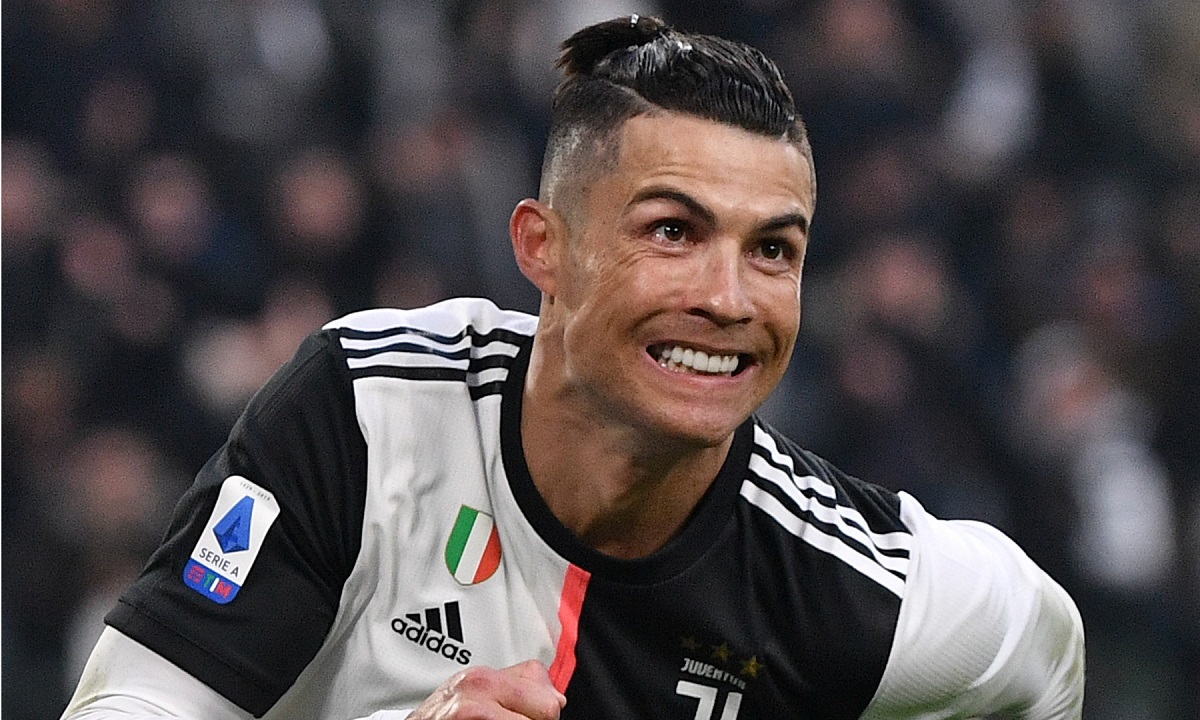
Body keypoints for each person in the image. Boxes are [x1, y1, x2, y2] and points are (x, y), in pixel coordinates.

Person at [61, 15, 1085, 720]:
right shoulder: (369, 412)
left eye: (774, 249)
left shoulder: (836, 580)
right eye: (673, 231)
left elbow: (1047, 654)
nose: (730, 298)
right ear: (542, 248)